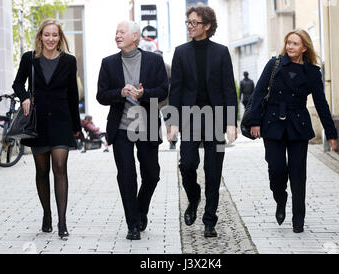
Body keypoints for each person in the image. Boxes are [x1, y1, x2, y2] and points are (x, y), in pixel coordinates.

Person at [247, 29, 338, 233]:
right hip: (272, 123)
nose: (290, 46)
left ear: (304, 47)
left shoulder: (312, 72)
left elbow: (321, 103)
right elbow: (259, 91)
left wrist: (331, 132)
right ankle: (281, 199)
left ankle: (299, 219)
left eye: (295, 43)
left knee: (298, 173)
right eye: (288, 42)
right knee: (276, 170)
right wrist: (254, 122)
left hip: (298, 125)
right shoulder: (274, 64)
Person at [168, 4, 238, 238]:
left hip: (216, 119)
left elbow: (229, 89)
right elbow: (175, 89)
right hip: (189, 119)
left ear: (207, 26)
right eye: (188, 22)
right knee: (187, 164)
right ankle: (194, 197)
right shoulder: (180, 52)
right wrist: (172, 122)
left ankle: (210, 220)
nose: (190, 26)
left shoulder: (221, 52)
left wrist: (231, 122)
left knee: (213, 171)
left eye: (194, 23)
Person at [96, 20, 168, 240]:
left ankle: (140, 209)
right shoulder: (108, 63)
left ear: (135, 36)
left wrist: (143, 94)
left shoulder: (154, 61)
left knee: (152, 175)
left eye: (122, 32)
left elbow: (163, 91)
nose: (117, 35)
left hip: (146, 125)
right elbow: (101, 95)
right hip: (121, 128)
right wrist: (120, 92)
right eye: (116, 32)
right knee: (127, 175)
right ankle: (133, 225)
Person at [12, 18, 81, 239]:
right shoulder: (29, 59)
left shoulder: (69, 61)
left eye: (55, 35)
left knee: (60, 167)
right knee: (42, 171)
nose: (50, 39)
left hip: (61, 121)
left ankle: (62, 221)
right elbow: (17, 83)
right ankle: (47, 214)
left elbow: (72, 94)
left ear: (60, 38)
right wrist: (24, 98)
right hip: (38, 122)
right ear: (41, 36)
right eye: (47, 35)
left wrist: (76, 127)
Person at [154, 50, 177, 150]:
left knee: (169, 122)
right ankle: (154, 142)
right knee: (153, 123)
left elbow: (174, 82)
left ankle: (173, 141)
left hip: (166, 101)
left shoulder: (167, 67)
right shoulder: (149, 68)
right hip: (153, 100)